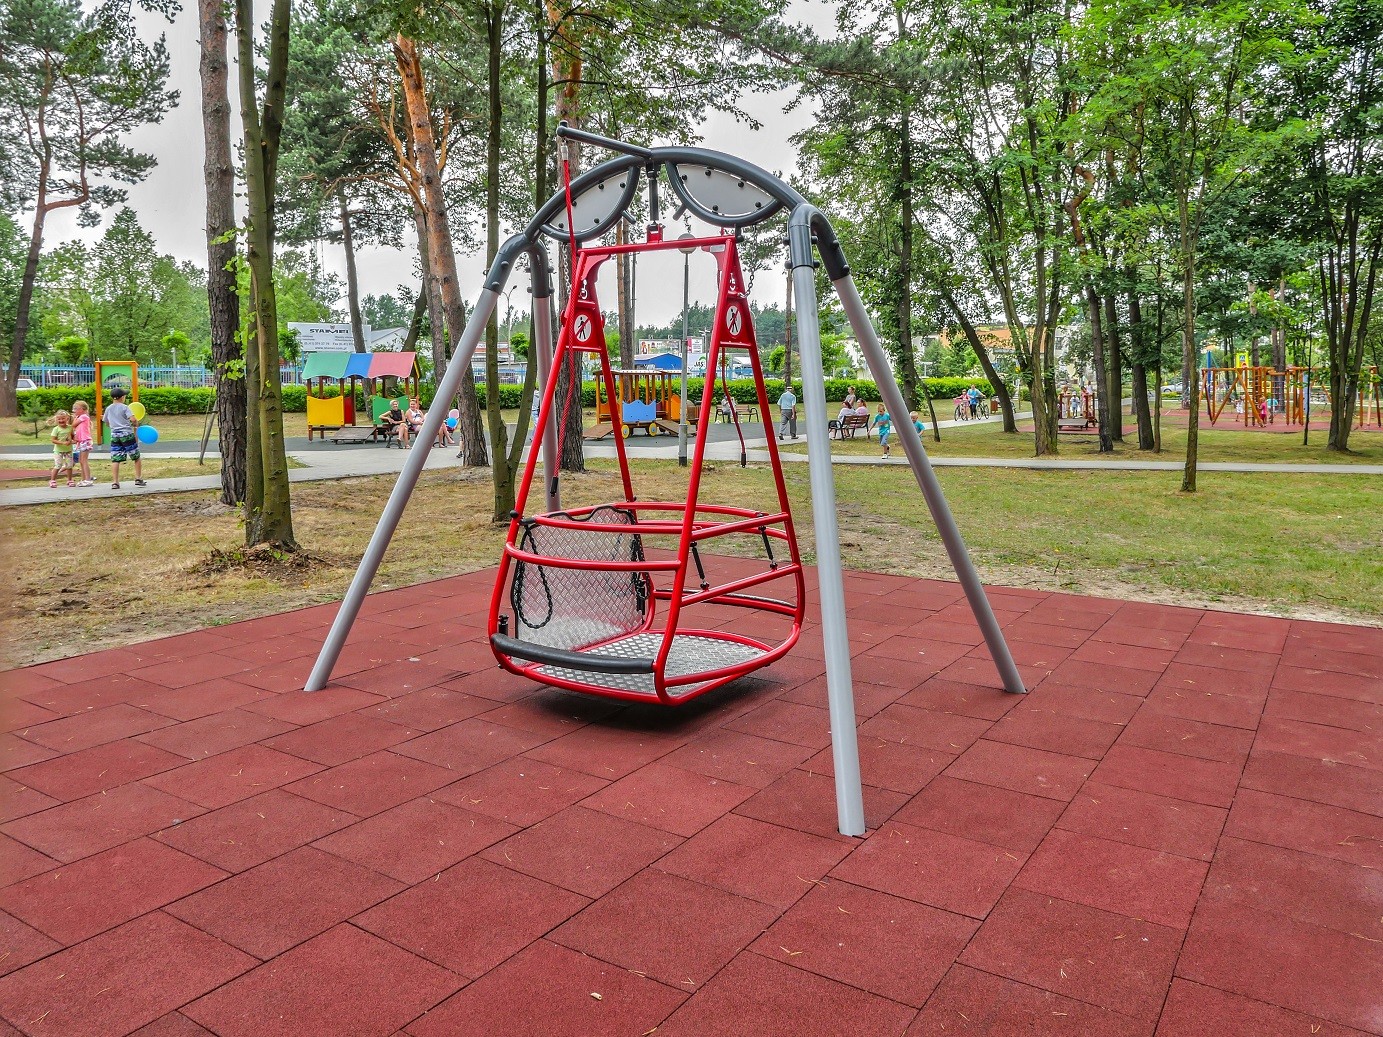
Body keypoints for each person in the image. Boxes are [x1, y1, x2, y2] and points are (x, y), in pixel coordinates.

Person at [103, 388, 145, 489]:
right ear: (122, 397)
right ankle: (138, 478)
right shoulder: (125, 407)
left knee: (115, 459)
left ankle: (115, 482)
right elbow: (133, 419)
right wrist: (136, 424)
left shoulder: (108, 408)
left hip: (115, 435)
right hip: (126, 434)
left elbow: (106, 422)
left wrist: (112, 425)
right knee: (136, 456)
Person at [71, 399, 94, 486]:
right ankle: (83, 479)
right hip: (81, 441)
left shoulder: (84, 416)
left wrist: (75, 417)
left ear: (83, 409)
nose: (74, 410)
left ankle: (88, 479)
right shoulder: (79, 417)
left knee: (84, 460)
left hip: (85, 440)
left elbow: (73, 425)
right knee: (81, 460)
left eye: (76, 408)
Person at [49, 410, 75, 488]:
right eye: (59, 419)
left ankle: (70, 480)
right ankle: (52, 480)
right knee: (58, 465)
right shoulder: (56, 429)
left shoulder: (70, 428)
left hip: (68, 450)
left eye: (63, 418)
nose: (61, 420)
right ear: (56, 420)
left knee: (69, 465)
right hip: (58, 451)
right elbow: (53, 440)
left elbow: (72, 436)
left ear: (67, 418)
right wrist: (62, 443)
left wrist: (73, 441)